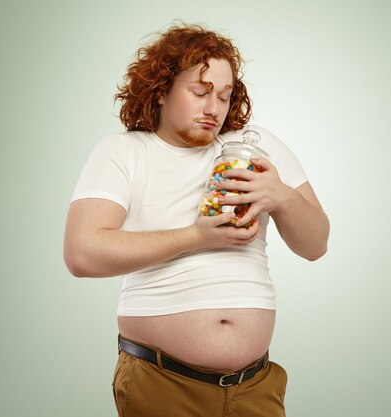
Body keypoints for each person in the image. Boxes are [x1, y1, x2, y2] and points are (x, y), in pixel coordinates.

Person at [63, 23, 329, 417]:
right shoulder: (124, 152)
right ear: (161, 91)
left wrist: (282, 196)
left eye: (223, 96)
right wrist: (196, 236)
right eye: (200, 93)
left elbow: (315, 245)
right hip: (162, 381)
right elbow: (82, 254)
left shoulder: (256, 147)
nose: (214, 109)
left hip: (255, 385)